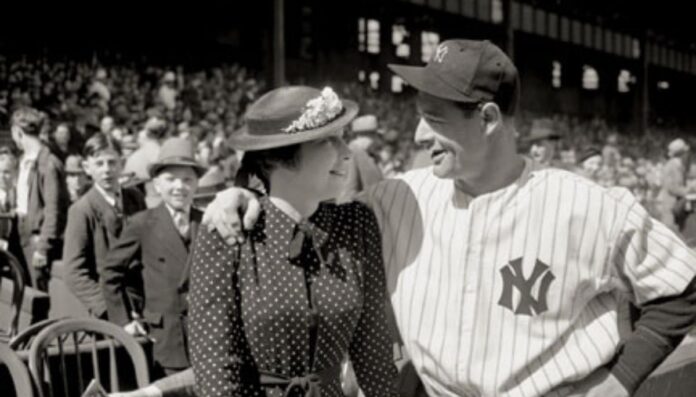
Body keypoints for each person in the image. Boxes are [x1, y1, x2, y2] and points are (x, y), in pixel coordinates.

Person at [204, 40, 696, 396]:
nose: (418, 134)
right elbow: (298, 211)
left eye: (435, 119)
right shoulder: (397, 198)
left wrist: (619, 382)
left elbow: (683, 285)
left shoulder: (586, 205)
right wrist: (241, 192)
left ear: (488, 119)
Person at [189, 86, 398, 397]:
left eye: (342, 136)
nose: (347, 151)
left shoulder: (357, 224)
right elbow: (217, 370)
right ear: (280, 158)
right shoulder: (227, 232)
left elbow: (374, 356)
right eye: (328, 140)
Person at [102, 137, 204, 379]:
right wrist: (124, 320)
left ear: (197, 184)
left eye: (187, 179)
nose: (179, 186)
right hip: (166, 336)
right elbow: (111, 273)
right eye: (170, 179)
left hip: (207, 336)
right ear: (156, 185)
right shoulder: (142, 224)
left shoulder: (208, 222)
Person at [63, 133, 147, 320]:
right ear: (87, 168)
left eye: (112, 162)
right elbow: (73, 273)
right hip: (109, 310)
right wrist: (113, 311)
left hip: (143, 301)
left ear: (122, 164)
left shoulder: (135, 198)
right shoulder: (82, 210)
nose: (106, 170)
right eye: (99, 164)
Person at [11, 107, 70, 291]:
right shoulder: (24, 161)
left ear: (17, 132)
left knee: (37, 295)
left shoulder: (48, 163)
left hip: (37, 240)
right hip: (20, 233)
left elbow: (54, 210)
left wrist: (43, 247)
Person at [657, 138, 690, 231]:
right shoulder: (673, 165)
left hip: (674, 205)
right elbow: (672, 188)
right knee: (670, 234)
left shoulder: (676, 165)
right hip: (670, 206)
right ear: (681, 154)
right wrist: (688, 191)